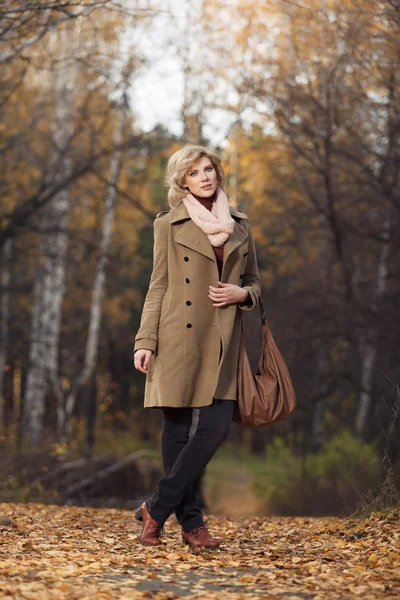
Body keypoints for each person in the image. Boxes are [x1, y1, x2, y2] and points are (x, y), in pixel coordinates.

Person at [133, 144, 261, 548]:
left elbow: (256, 281)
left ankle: (156, 506)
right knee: (175, 428)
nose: (204, 177)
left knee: (215, 427)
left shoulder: (241, 225)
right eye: (194, 173)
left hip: (222, 338)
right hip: (177, 335)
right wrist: (146, 340)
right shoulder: (168, 224)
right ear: (182, 181)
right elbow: (158, 286)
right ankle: (191, 523)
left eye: (208, 169)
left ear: (217, 174)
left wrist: (243, 294)